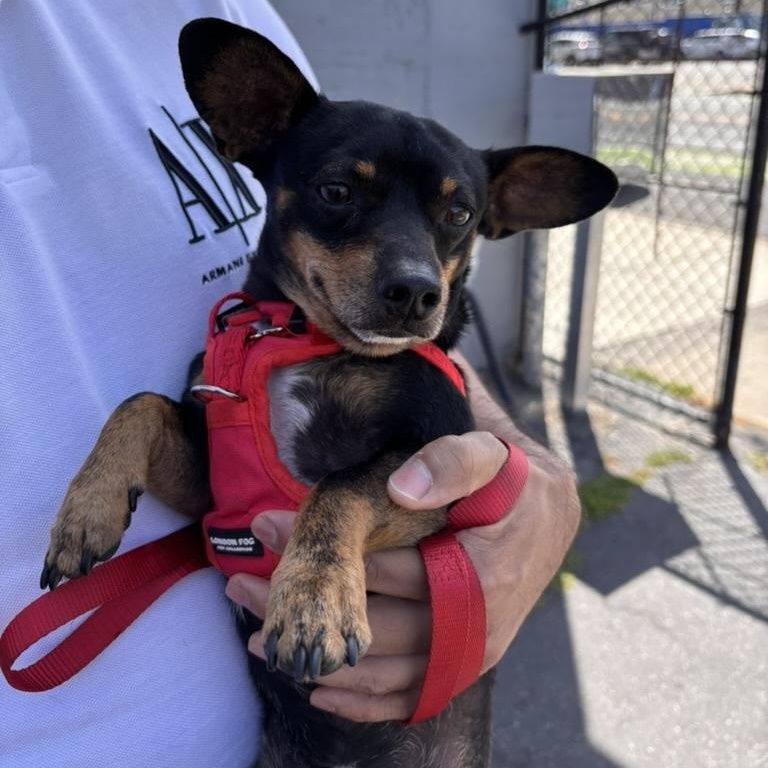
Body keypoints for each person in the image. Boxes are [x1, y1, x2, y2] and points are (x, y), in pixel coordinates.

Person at [0, 1, 579, 765]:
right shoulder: (235, 356)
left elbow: (429, 485)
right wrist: (135, 435)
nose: (409, 271)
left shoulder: (227, 5)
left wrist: (540, 487)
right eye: (342, 195)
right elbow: (207, 478)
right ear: (254, 133)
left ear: (487, 222)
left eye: (451, 218)